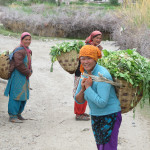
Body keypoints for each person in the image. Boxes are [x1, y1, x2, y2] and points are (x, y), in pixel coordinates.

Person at [74, 45, 122, 150]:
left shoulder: (102, 74)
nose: (85, 61)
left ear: (95, 59)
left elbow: (102, 102)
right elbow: (78, 100)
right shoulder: (85, 74)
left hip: (110, 116)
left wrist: (88, 88)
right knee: (101, 147)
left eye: (89, 58)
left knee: (108, 148)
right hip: (96, 116)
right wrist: (83, 89)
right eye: (83, 58)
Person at [73, 31, 103, 121]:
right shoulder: (88, 47)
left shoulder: (92, 46)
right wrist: (99, 50)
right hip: (82, 73)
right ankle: (78, 114)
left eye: (100, 38)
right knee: (80, 92)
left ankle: (81, 112)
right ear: (92, 38)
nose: (98, 40)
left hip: (87, 73)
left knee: (86, 92)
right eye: (97, 38)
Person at [4, 32, 32, 123]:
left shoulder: (26, 50)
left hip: (24, 76)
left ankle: (18, 114)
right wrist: (28, 72)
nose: (28, 41)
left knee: (23, 94)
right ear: (21, 40)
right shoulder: (19, 50)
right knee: (16, 95)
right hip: (17, 76)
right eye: (26, 39)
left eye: (29, 39)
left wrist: (30, 70)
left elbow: (27, 63)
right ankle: (12, 116)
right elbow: (19, 64)